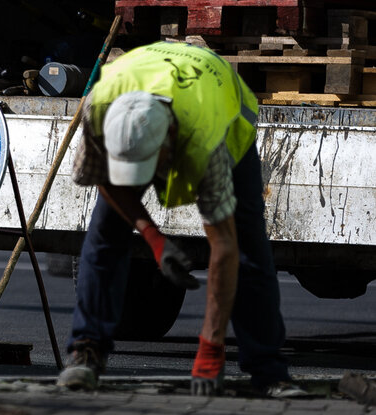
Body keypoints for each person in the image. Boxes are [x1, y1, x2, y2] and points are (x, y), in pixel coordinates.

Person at [58, 41, 304, 397]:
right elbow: (104, 179)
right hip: (150, 84)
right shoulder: (99, 107)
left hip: (222, 106)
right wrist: (154, 239)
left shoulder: (206, 140)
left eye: (148, 166)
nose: (140, 177)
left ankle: (269, 371)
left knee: (248, 244)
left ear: (170, 142)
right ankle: (86, 350)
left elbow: (224, 246)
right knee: (106, 230)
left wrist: (210, 346)